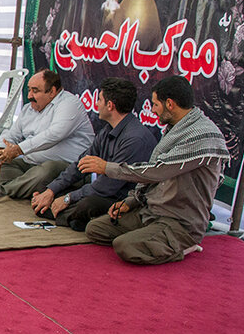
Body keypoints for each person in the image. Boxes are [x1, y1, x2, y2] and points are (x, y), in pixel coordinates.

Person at [82, 75, 230, 264]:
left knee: (124, 246)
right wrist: (131, 202)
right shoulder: (176, 129)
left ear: (169, 104)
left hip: (180, 222)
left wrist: (106, 167)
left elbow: (157, 171)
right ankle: (148, 236)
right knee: (95, 229)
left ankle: (183, 246)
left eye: (155, 105)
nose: (152, 110)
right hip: (151, 211)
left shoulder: (201, 135)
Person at [29, 77, 158, 231]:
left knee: (87, 204)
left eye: (99, 99)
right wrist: (51, 191)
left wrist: (68, 198)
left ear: (110, 105)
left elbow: (108, 187)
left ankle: (72, 217)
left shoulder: (135, 139)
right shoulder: (108, 130)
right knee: (48, 187)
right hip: (102, 189)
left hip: (122, 198)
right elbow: (80, 164)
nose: (96, 104)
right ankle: (70, 216)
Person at [0, 69, 94, 199]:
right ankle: (35, 191)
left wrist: (18, 149)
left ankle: (0, 190)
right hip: (33, 165)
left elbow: (54, 135)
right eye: (29, 90)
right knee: (0, 165)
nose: (29, 95)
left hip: (68, 168)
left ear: (52, 92)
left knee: (45, 170)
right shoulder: (29, 108)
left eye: (35, 91)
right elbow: (12, 134)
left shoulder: (69, 104)